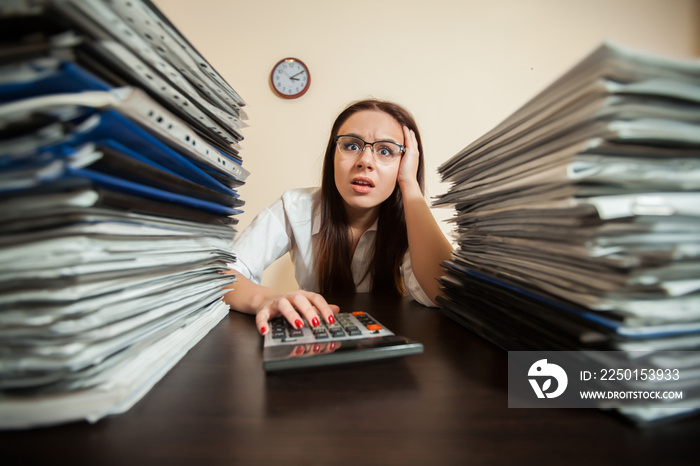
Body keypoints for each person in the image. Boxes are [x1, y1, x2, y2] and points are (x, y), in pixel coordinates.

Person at [223, 99, 453, 335]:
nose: (365, 161)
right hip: (316, 342)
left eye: (385, 150)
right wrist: (266, 298)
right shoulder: (295, 207)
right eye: (352, 146)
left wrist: (410, 185)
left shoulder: (411, 221)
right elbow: (220, 273)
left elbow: (444, 293)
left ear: (406, 163)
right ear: (332, 155)